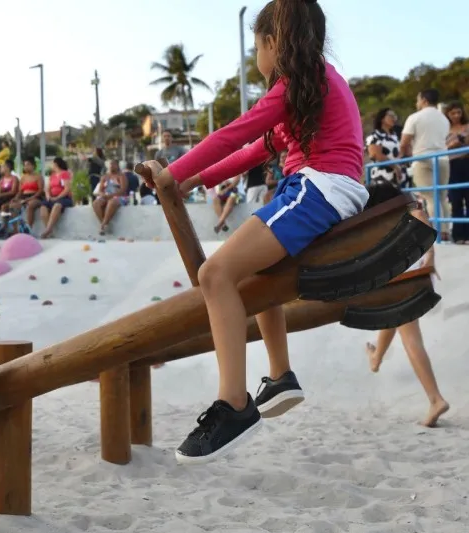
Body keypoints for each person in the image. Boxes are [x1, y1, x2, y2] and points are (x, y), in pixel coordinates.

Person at [139, 0, 369, 464]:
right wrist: (188, 180)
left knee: (214, 275)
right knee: (250, 279)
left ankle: (234, 405)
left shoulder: (295, 88)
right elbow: (253, 151)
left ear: (272, 42)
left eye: (256, 46)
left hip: (319, 187)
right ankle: (280, 376)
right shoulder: (312, 89)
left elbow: (235, 132)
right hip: (320, 186)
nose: (255, 58)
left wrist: (171, 172)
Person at [362, 181, 449, 427]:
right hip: (418, 281)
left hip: (401, 283)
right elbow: (429, 239)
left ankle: (435, 399)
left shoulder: (380, 228)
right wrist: (430, 260)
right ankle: (376, 357)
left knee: (411, 339)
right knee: (396, 319)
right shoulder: (415, 213)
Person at [400, 89, 451, 240]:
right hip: (443, 159)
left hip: (422, 158)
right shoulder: (444, 119)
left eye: (418, 99)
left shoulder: (415, 117)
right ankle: (446, 231)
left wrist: (405, 155)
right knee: (442, 197)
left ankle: (437, 232)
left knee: (430, 197)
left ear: (424, 100)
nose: (417, 103)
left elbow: (404, 143)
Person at [444, 101, 469, 244]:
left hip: (467, 162)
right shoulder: (444, 129)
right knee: (456, 199)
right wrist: (454, 144)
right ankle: (459, 235)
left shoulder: (467, 126)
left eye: (458, 112)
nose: (456, 115)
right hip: (452, 164)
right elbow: (442, 148)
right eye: (453, 113)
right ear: (448, 114)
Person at [39, 157, 73, 239]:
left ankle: (48, 230)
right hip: (53, 197)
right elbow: (47, 188)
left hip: (64, 197)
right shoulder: (52, 175)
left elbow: (67, 189)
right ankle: (49, 229)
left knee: (57, 205)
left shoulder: (64, 173)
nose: (52, 166)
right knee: (43, 207)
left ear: (56, 164)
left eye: (53, 164)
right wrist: (48, 196)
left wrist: (57, 197)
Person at [92, 160, 129, 235]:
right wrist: (102, 194)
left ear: (117, 166)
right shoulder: (105, 177)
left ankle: (103, 225)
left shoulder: (121, 176)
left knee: (112, 202)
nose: (111, 166)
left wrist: (110, 196)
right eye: (110, 164)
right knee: (96, 203)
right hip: (106, 196)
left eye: (113, 164)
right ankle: (104, 223)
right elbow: (99, 190)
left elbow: (123, 190)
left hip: (119, 197)